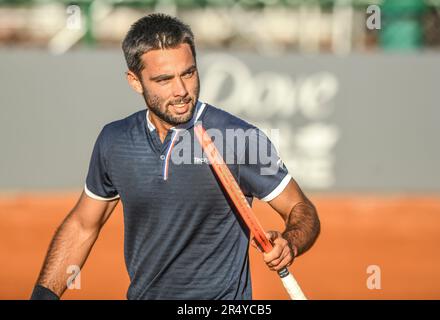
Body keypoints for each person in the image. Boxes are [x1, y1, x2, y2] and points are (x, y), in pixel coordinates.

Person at [30, 13, 320, 300]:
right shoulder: (114, 140)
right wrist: (44, 295)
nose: (182, 90)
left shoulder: (239, 139)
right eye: (164, 79)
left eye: (189, 73)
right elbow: (82, 225)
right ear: (135, 81)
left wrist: (290, 243)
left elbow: (300, 208)